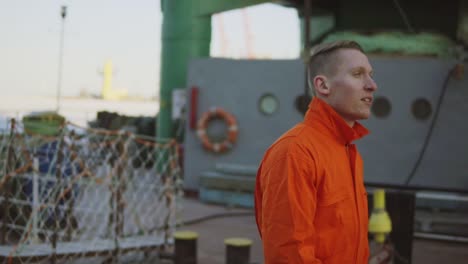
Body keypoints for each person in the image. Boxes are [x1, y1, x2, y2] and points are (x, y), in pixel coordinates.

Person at [254, 40, 378, 263]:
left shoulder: (347, 150)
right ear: (323, 86)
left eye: (370, 74)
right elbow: (289, 255)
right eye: (358, 74)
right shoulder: (295, 152)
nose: (371, 85)